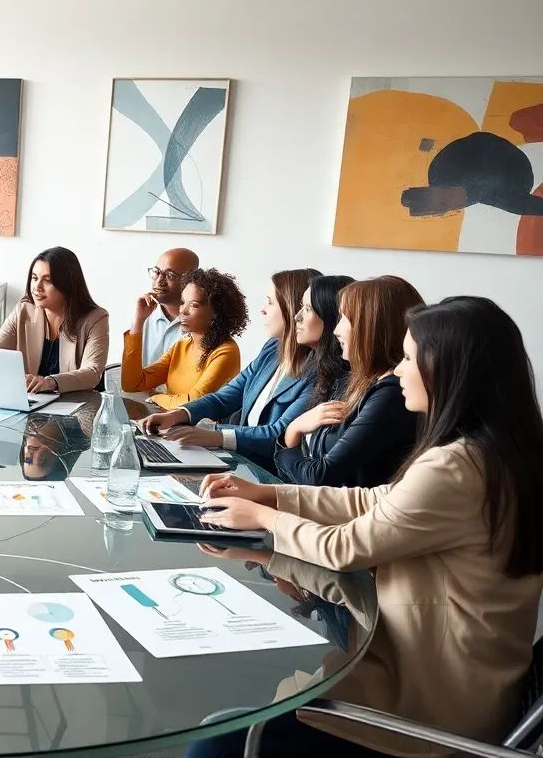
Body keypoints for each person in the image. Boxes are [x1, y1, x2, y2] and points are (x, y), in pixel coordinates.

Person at [189, 296, 543, 758]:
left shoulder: (458, 467)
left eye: (410, 359)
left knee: (217, 739)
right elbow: (374, 502)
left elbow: (347, 548)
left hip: (422, 714)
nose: (399, 371)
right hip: (466, 688)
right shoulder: (495, 453)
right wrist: (269, 493)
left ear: (449, 372)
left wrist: (262, 520)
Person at [138, 269, 318, 473]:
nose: (263, 310)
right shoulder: (271, 350)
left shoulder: (317, 372)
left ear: (291, 308)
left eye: (270, 302)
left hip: (269, 473)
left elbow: (278, 435)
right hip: (239, 463)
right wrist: (178, 415)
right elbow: (225, 398)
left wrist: (217, 435)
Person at [274, 276, 423, 487]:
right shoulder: (355, 380)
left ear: (373, 327)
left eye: (345, 319)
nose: (336, 330)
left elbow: (321, 476)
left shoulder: (391, 394)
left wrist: (293, 430)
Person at [122, 267, 245, 410]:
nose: (183, 311)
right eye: (182, 302)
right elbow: (133, 384)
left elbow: (194, 402)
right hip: (167, 424)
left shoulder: (226, 351)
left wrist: (157, 398)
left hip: (199, 430)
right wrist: (138, 321)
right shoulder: (182, 345)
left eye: (193, 305)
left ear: (215, 313)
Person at [0, 247, 109, 393]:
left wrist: (50, 382)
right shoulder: (24, 310)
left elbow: (92, 372)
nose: (37, 287)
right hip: (34, 402)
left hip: (78, 404)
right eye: (34, 278)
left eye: (48, 281)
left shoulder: (95, 318)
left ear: (67, 284)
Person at [291, 274, 356, 406]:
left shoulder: (345, 377)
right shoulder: (314, 364)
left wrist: (295, 426)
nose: (297, 316)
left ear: (331, 316)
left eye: (308, 309)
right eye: (301, 306)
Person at [139, 248, 200, 371]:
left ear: (191, 280)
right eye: (157, 272)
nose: (159, 281)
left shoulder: (201, 324)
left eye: (170, 276)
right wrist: (137, 322)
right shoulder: (143, 315)